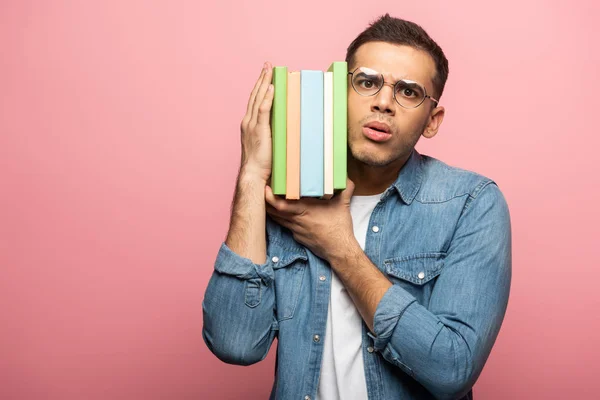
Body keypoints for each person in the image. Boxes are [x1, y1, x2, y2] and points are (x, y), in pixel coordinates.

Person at [202, 13, 511, 400]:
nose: (383, 103)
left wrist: (339, 247)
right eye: (367, 82)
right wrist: (250, 175)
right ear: (336, 95)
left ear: (432, 121)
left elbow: (451, 368)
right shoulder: (285, 195)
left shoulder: (470, 204)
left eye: (409, 92)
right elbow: (235, 342)